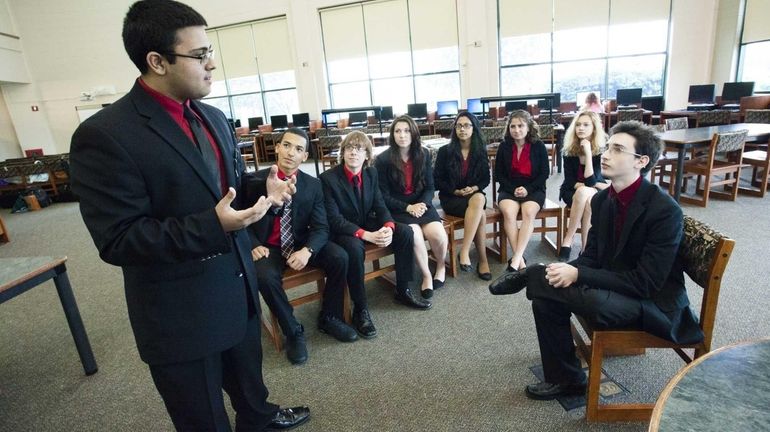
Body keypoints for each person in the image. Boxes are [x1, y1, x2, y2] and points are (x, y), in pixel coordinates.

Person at [69, 1, 309, 430]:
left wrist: (262, 187)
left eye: (210, 51)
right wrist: (213, 225)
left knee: (251, 386)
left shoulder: (213, 117)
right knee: (203, 418)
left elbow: (225, 186)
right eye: (199, 56)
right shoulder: (105, 135)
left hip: (236, 287)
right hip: (180, 312)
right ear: (157, 61)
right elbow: (119, 239)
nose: (212, 63)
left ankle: (259, 418)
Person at [488, 121, 704, 401]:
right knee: (547, 297)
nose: (606, 154)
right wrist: (571, 269)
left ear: (641, 161)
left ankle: (532, 274)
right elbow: (591, 256)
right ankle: (567, 379)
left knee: (584, 298)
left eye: (617, 149)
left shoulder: (664, 210)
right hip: (618, 285)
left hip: (654, 303)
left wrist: (578, 275)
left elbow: (646, 283)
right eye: (608, 146)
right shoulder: (603, 201)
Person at [250, 127, 356, 365]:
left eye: (298, 149)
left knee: (340, 256)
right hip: (268, 246)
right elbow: (240, 217)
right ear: (277, 148)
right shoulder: (254, 180)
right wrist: (253, 244)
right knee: (264, 277)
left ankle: (329, 316)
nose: (290, 153)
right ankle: (293, 331)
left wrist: (307, 251)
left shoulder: (313, 185)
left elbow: (321, 228)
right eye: (286, 145)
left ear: (305, 157)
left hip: (299, 242)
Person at [320, 132, 430, 338]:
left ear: (367, 155)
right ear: (342, 152)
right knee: (353, 248)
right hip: (343, 230)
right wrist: (366, 235)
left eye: (359, 148)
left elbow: (379, 204)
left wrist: (388, 226)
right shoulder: (328, 179)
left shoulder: (371, 174)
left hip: (366, 221)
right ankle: (360, 308)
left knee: (404, 231)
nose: (354, 152)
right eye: (349, 148)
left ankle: (403, 290)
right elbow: (333, 219)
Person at [375, 115, 448, 300]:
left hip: (422, 205)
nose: (402, 135)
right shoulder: (383, 159)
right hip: (400, 208)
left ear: (414, 132)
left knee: (438, 234)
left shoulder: (423, 153)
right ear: (393, 134)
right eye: (398, 131)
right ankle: (426, 275)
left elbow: (430, 187)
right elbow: (383, 196)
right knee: (415, 235)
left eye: (406, 130)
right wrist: (408, 208)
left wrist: (422, 204)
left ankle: (440, 265)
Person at [433, 112, 492, 280]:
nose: (462, 129)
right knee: (479, 212)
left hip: (473, 196)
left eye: (466, 125)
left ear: (474, 129)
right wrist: (455, 191)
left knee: (479, 198)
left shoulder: (480, 151)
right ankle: (482, 260)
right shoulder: (445, 151)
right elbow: (437, 180)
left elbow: (485, 179)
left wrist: (474, 187)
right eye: (459, 126)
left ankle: (464, 251)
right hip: (452, 198)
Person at [494, 110, 549, 273]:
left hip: (534, 188)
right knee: (509, 213)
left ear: (528, 127)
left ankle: (517, 258)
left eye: (520, 126)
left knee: (528, 213)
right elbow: (499, 174)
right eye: (513, 126)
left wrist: (528, 189)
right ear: (508, 128)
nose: (516, 130)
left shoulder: (538, 145)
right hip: (509, 188)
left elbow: (544, 173)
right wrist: (513, 189)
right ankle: (521, 263)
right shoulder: (504, 146)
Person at [558, 111, 609, 261]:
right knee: (584, 194)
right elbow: (569, 182)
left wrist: (587, 153)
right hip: (571, 192)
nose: (581, 128)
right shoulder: (568, 151)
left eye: (586, 125)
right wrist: (588, 185)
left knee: (585, 195)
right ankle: (585, 247)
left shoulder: (601, 150)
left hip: (592, 191)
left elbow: (591, 180)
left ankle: (569, 240)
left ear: (594, 128)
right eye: (578, 125)